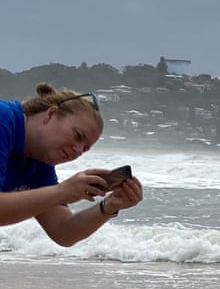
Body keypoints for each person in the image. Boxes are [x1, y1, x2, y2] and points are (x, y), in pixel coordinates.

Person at [0, 83, 143, 246]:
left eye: (85, 149)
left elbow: (63, 231)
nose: (77, 150)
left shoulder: (39, 162)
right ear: (51, 114)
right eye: (77, 136)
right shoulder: (3, 119)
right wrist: (63, 192)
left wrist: (108, 206)